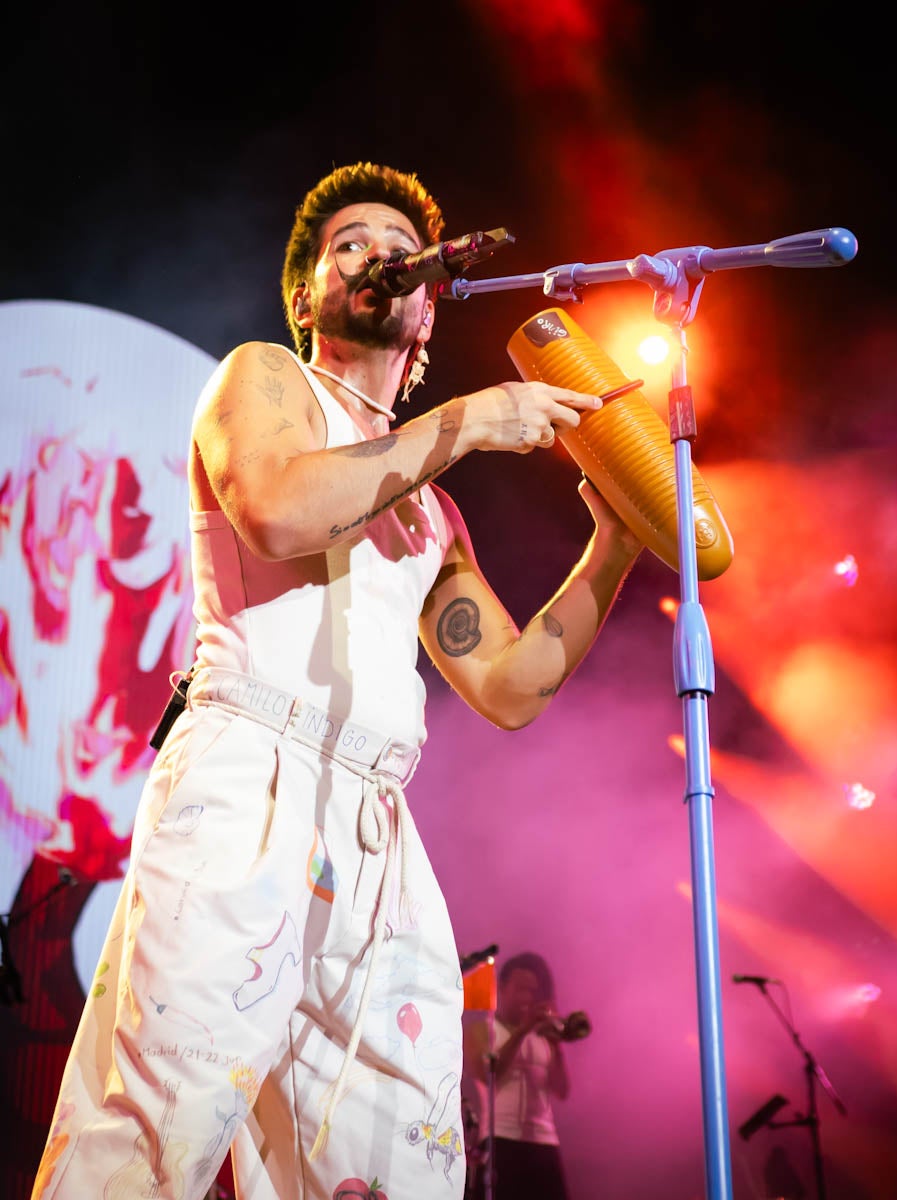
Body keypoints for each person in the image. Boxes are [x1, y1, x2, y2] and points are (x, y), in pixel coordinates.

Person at [31, 161, 642, 1200]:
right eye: (343, 245)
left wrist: (615, 543)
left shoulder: (430, 510)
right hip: (246, 781)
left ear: (427, 315)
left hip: (374, 830)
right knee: (149, 1133)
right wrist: (465, 424)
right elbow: (275, 508)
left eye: (388, 243)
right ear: (309, 295)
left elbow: (507, 684)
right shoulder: (266, 381)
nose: (370, 254)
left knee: (396, 1157)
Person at [462, 952, 581, 1200]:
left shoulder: (543, 1035)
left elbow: (562, 1090)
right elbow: (489, 1076)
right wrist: (524, 1029)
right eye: (520, 990)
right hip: (500, 1140)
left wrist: (556, 1043)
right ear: (502, 988)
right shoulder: (481, 1030)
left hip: (545, 1141)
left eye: (532, 991)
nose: (527, 998)